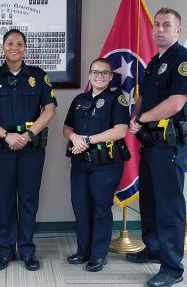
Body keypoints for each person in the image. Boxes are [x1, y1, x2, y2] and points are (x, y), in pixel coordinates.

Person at [127, 8, 187, 287]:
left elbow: (175, 103)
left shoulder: (186, 61)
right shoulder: (153, 62)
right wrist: (135, 117)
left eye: (166, 25)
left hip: (170, 142)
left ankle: (172, 267)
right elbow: (144, 98)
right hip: (149, 141)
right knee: (149, 200)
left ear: (177, 31)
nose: (159, 29)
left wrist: (140, 119)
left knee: (169, 205)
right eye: (156, 24)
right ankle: (154, 248)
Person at [0, 29, 56, 271]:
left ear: (25, 48)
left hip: (31, 149)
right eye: (10, 43)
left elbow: (50, 109)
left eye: (20, 44)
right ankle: (5, 250)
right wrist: (7, 135)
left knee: (29, 200)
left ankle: (27, 250)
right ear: (3, 47)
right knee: (4, 200)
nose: (15, 47)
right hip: (0, 149)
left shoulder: (38, 76)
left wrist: (28, 134)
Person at [63, 58, 129, 272]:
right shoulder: (79, 99)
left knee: (100, 208)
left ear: (111, 77)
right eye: (95, 72)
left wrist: (87, 140)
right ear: (89, 75)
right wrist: (74, 137)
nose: (99, 76)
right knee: (80, 207)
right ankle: (83, 251)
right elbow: (66, 127)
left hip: (106, 164)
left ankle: (99, 254)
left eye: (104, 73)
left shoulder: (116, 99)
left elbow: (120, 131)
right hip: (81, 163)